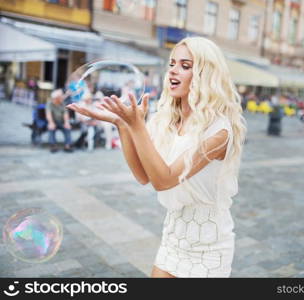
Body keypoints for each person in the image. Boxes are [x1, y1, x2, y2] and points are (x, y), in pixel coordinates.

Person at [67, 37, 247, 278]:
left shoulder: (220, 131)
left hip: (209, 246)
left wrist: (137, 125)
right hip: (173, 236)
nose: (173, 69)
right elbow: (144, 176)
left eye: (185, 65)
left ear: (205, 74)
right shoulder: (170, 121)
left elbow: (165, 180)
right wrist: (123, 124)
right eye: (172, 63)